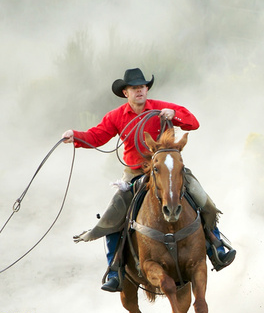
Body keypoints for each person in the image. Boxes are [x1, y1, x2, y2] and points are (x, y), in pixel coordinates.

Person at [62, 68, 236, 292]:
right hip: (135, 173)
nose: (140, 91)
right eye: (135, 88)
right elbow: (97, 135)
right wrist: (75, 135)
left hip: (168, 170)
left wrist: (175, 116)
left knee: (204, 202)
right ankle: (114, 270)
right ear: (126, 92)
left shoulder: (162, 108)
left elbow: (193, 123)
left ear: (146, 89)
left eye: (142, 87)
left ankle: (216, 248)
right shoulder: (116, 116)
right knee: (112, 217)